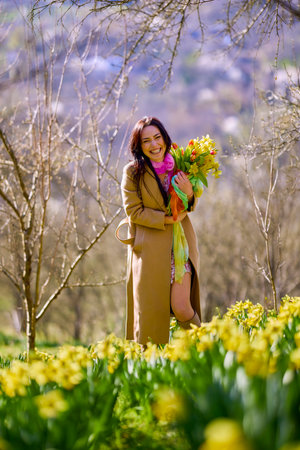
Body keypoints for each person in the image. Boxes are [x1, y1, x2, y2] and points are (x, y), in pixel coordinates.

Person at [115, 116, 201, 345]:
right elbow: (134, 211)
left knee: (182, 308)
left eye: (157, 137)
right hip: (150, 250)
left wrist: (189, 192)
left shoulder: (180, 164)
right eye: (146, 141)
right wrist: (167, 220)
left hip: (180, 246)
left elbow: (188, 204)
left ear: (164, 138)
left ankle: (208, 350)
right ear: (139, 146)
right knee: (150, 319)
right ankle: (152, 368)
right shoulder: (132, 173)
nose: (154, 145)